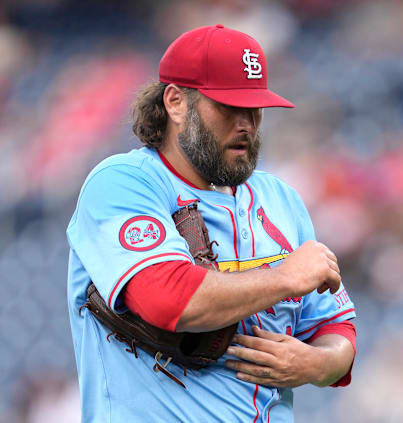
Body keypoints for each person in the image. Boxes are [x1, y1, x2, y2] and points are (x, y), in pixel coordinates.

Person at [66, 24, 357, 422]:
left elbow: (336, 328)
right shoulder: (123, 183)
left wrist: (318, 364)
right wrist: (285, 277)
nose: (246, 124)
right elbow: (168, 298)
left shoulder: (281, 200)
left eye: (254, 108)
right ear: (176, 103)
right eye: (227, 106)